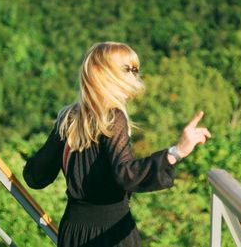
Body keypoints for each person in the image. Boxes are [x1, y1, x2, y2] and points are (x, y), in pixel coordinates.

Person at [23, 41, 211, 247]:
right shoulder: (113, 116)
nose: (134, 75)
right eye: (127, 69)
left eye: (135, 69)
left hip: (73, 232)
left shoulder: (69, 117)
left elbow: (35, 176)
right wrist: (176, 152)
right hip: (109, 234)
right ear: (101, 72)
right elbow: (125, 174)